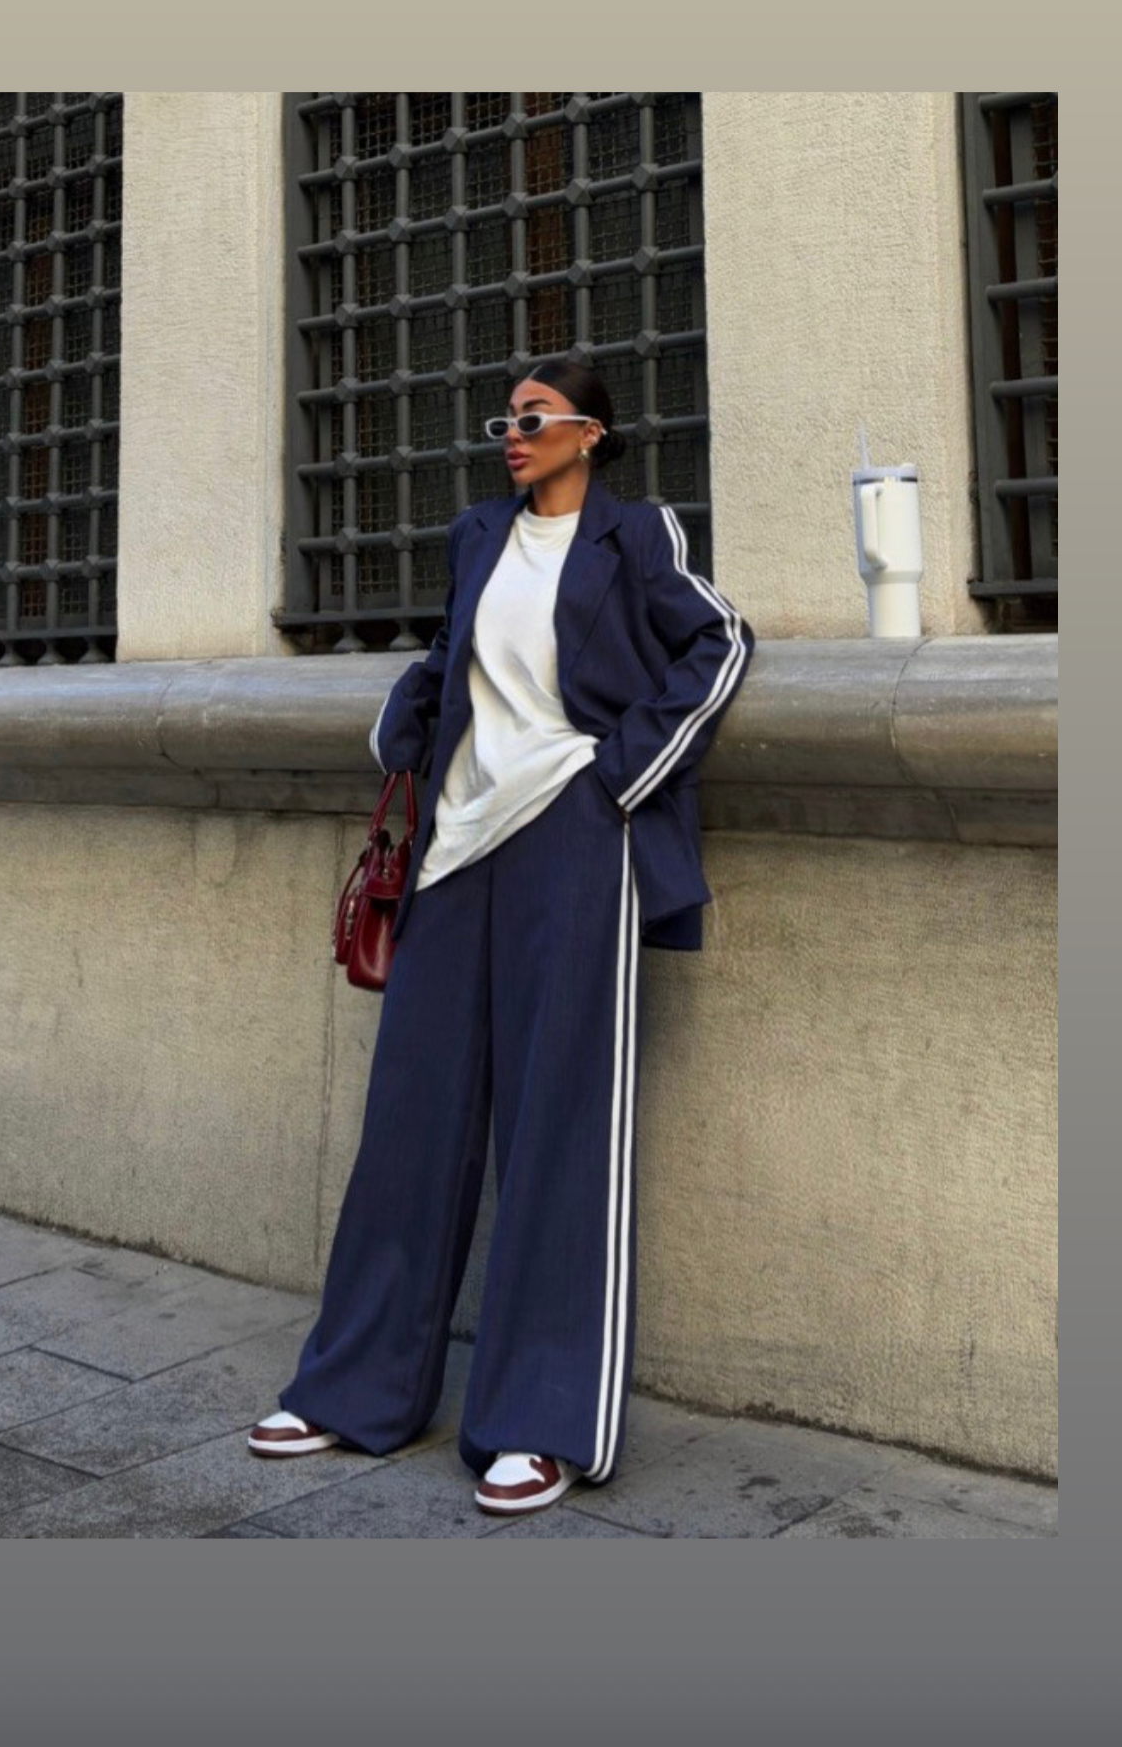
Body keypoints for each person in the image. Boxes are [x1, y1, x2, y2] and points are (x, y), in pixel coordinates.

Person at [249, 358, 756, 1518]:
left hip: (573, 837)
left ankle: (539, 1419)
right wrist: (403, 728)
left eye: (532, 418)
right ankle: (354, 1389)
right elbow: (451, 660)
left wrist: (618, 777)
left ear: (590, 433)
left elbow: (720, 642)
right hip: (456, 843)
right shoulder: (478, 533)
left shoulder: (636, 536)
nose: (510, 435)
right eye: (504, 420)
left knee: (557, 1124)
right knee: (409, 1118)